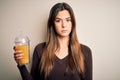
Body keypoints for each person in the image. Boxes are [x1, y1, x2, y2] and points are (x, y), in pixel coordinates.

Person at [13, 2, 92, 80]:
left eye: (68, 20)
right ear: (52, 24)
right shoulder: (39, 50)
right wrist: (21, 65)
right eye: (58, 20)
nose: (64, 25)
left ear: (72, 23)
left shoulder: (85, 51)